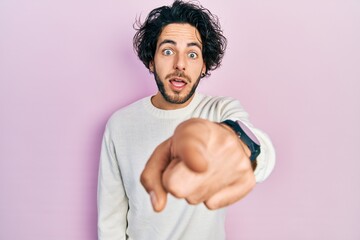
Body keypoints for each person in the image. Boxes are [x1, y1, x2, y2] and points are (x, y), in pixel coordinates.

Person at [97, 1, 275, 239]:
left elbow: (259, 149)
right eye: (168, 51)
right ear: (152, 60)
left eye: (192, 54)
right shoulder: (119, 124)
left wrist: (240, 143)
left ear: (203, 66)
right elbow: (110, 222)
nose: (180, 64)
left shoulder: (221, 110)